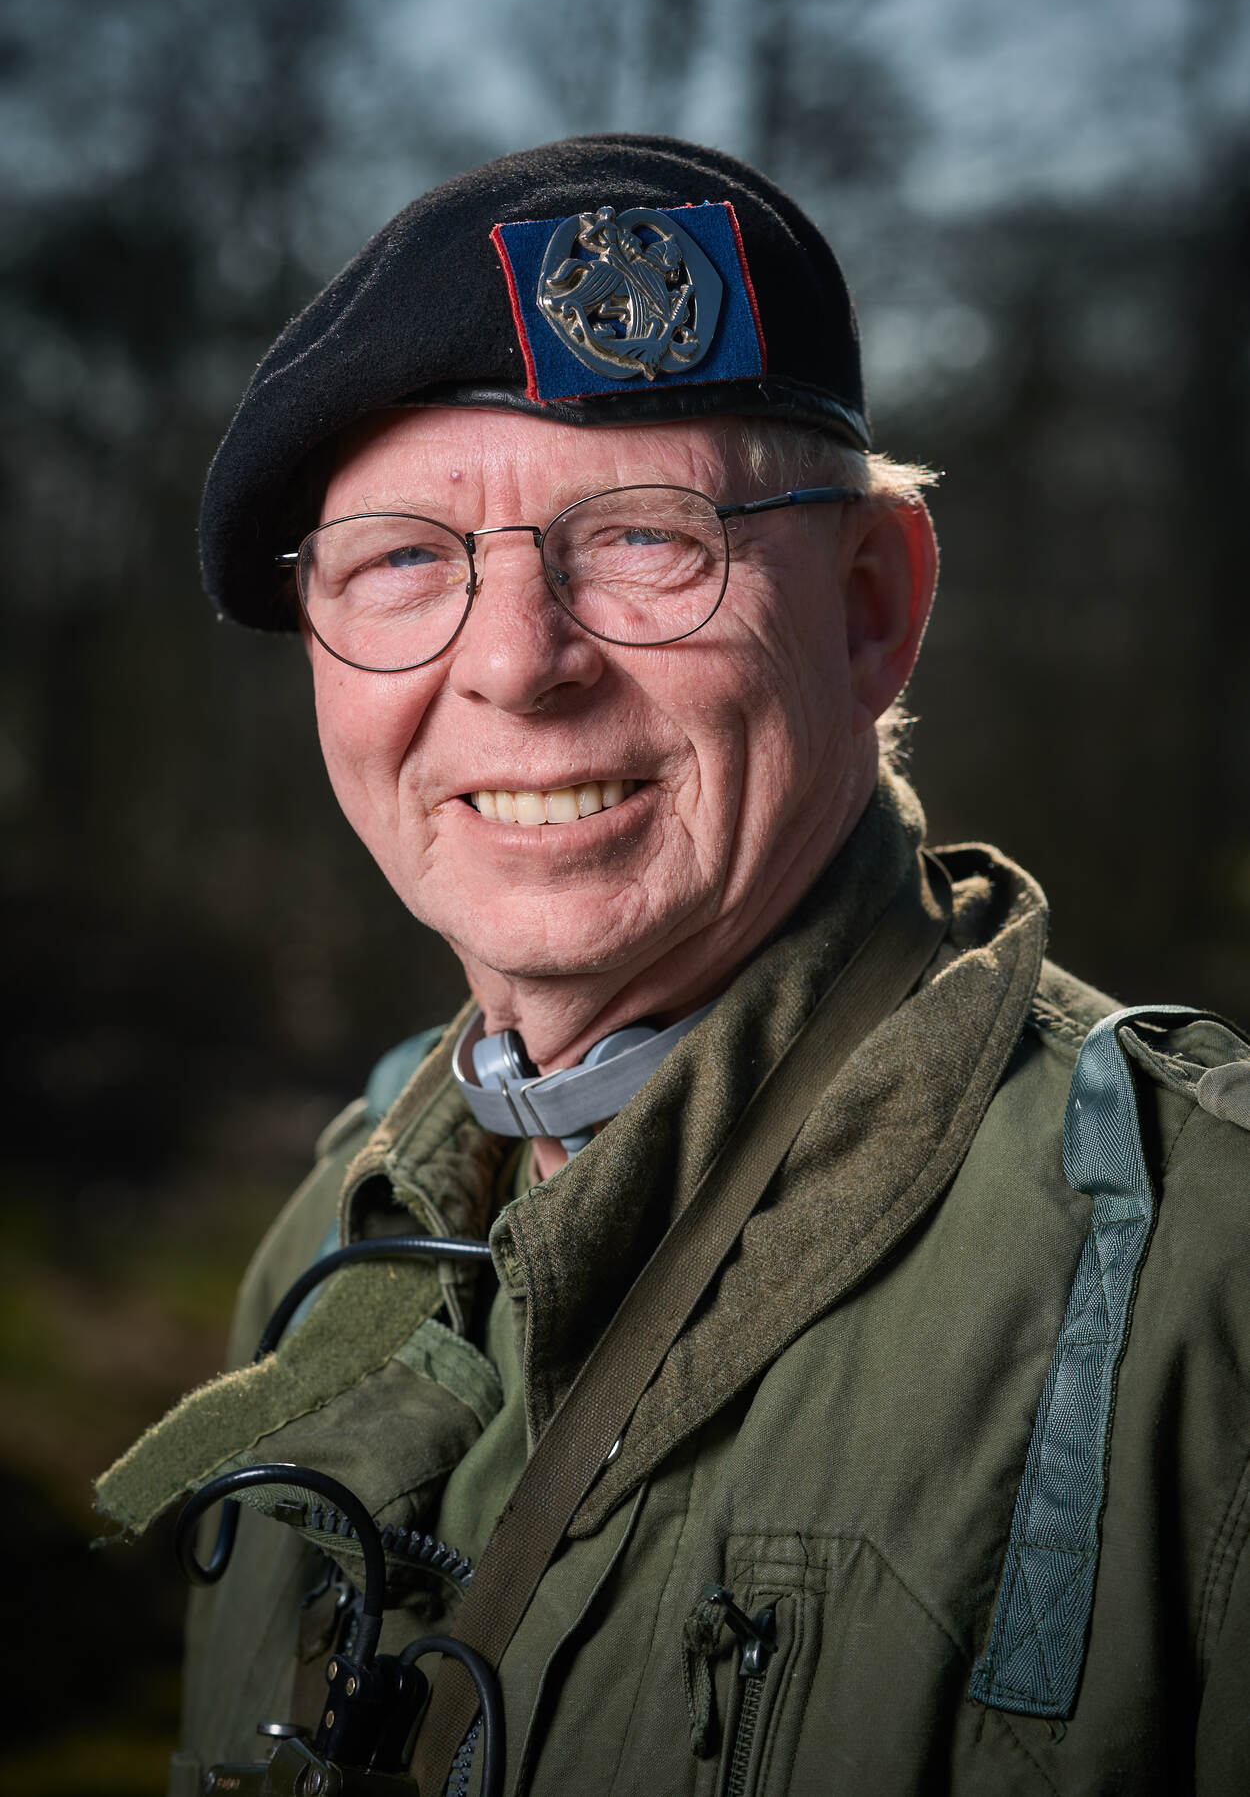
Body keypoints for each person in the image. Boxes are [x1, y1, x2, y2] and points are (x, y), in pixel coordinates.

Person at [98, 134, 1250, 1797]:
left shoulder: (1206, 1285)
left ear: (867, 606)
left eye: (645, 537)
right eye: (404, 558)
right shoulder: (335, 1248)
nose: (515, 664)